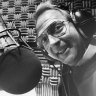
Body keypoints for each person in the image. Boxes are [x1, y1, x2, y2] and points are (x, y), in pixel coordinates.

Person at [34, 1, 96, 96]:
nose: (52, 42)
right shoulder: (66, 76)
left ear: (79, 25)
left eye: (58, 27)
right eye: (44, 39)